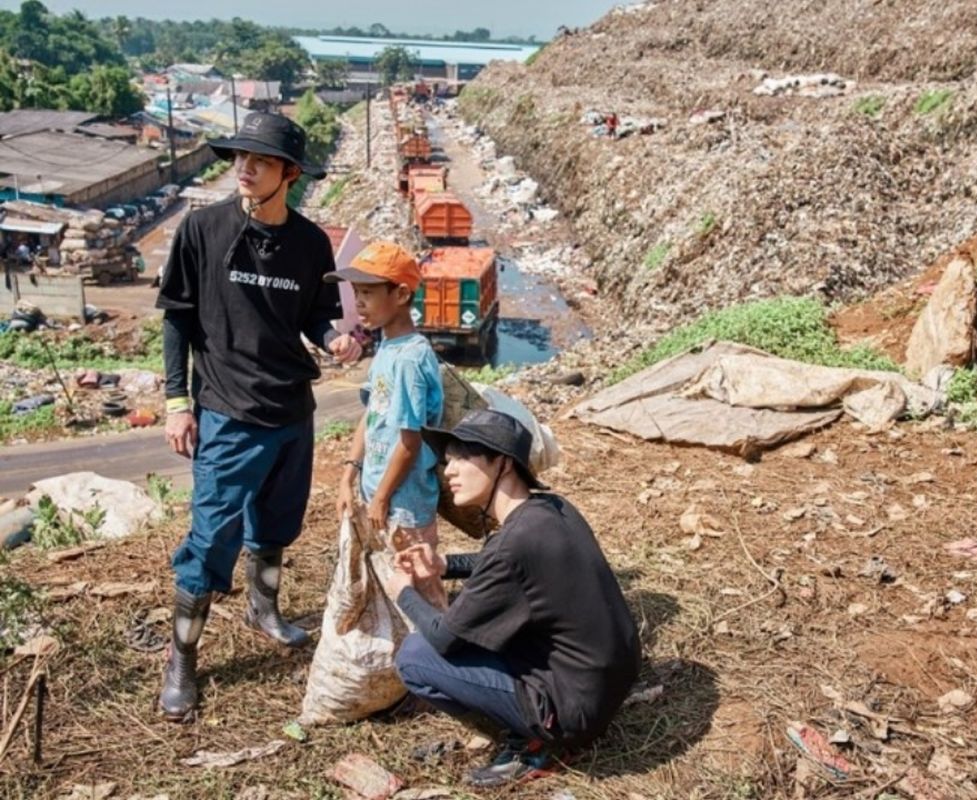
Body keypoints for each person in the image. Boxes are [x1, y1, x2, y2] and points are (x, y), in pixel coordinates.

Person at [155, 111, 363, 722]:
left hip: (291, 409)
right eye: (239, 158)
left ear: (290, 174)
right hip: (225, 411)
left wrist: (335, 340)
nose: (244, 168)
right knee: (210, 537)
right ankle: (183, 659)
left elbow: (317, 315)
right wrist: (175, 403)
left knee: (276, 522)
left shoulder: (310, 242)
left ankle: (263, 608)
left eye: (261, 160)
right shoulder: (202, 229)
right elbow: (176, 318)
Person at [389, 410, 642, 788]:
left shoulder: (513, 544)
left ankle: (533, 742)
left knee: (414, 657)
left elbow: (443, 638)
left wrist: (403, 594)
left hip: (573, 710)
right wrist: (444, 564)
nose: (449, 470)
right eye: (448, 459)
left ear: (503, 463)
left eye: (463, 457)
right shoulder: (550, 510)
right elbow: (502, 563)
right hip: (604, 684)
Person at [328, 241, 444, 547]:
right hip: (381, 495)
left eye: (368, 292)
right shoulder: (387, 348)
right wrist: (348, 478)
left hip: (405, 507)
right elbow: (371, 416)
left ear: (402, 294)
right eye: (356, 293)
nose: (359, 303)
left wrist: (381, 497)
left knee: (415, 587)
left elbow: (410, 441)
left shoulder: (409, 358)